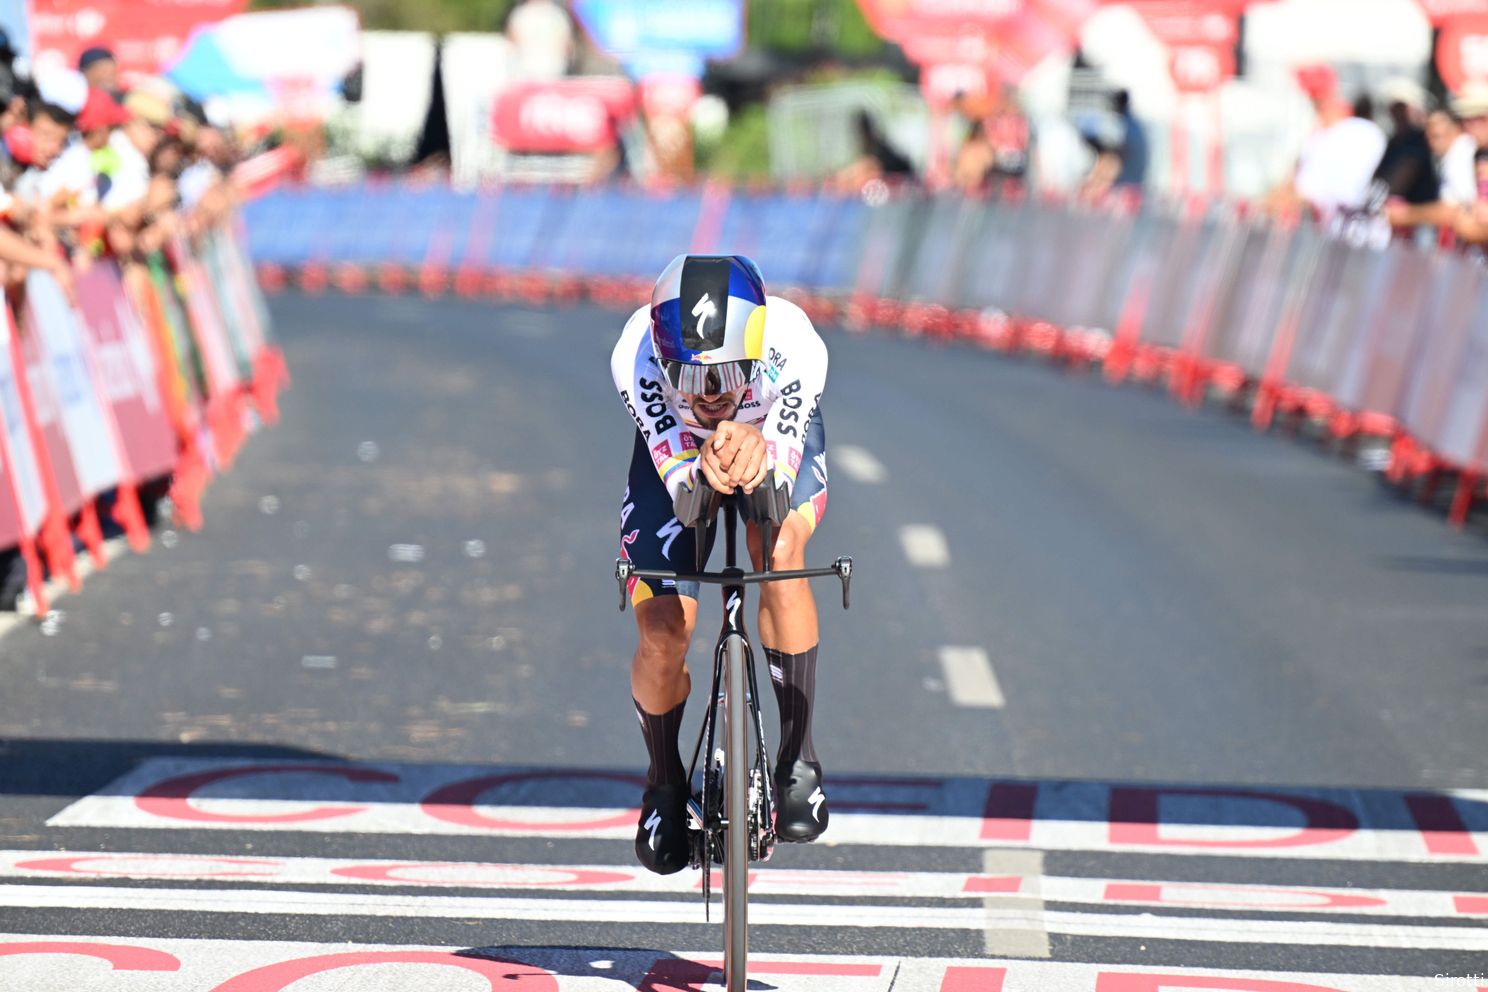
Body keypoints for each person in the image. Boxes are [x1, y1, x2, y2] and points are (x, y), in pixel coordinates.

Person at [610, 254, 830, 875]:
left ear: (757, 354)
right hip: (676, 453)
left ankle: (798, 757)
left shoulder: (795, 347)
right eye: (691, 379)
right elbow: (684, 496)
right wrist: (699, 467)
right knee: (662, 629)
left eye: (731, 374)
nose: (711, 398)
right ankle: (663, 783)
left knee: (778, 546)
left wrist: (759, 454)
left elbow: (777, 485)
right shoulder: (636, 354)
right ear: (663, 360)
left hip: (772, 432)